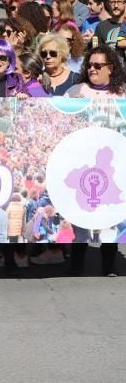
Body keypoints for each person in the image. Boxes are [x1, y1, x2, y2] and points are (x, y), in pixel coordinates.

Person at [66, 46, 126, 276]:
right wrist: (75, 108)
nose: (92, 69)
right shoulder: (75, 90)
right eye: (89, 65)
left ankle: (109, 265)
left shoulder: (121, 94)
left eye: (98, 65)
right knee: (80, 217)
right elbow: (60, 118)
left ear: (111, 68)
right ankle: (76, 264)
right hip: (82, 163)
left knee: (110, 216)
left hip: (112, 164)